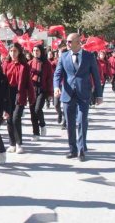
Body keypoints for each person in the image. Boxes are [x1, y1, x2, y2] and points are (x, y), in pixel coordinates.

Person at [53, 33, 103, 162]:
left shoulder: (89, 56)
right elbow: (57, 74)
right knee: (70, 123)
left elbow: (96, 76)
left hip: (84, 94)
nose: (68, 44)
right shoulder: (63, 57)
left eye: (70, 41)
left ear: (78, 42)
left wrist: (99, 94)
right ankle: (73, 149)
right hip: (68, 94)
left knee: (81, 121)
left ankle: (81, 149)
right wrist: (56, 87)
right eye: (67, 42)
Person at [2, 43, 31, 154]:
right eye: (11, 51)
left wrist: (31, 97)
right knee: (9, 119)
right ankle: (12, 143)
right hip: (7, 94)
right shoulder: (5, 64)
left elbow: (28, 83)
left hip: (20, 94)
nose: (13, 53)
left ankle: (19, 144)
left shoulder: (24, 65)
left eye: (15, 51)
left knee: (15, 119)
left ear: (19, 52)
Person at [28, 45, 53, 141]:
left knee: (37, 109)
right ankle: (35, 133)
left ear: (41, 51)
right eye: (34, 50)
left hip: (42, 90)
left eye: (37, 50)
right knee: (32, 112)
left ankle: (42, 125)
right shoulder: (30, 63)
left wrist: (50, 93)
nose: (35, 52)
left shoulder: (47, 64)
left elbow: (50, 79)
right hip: (32, 90)